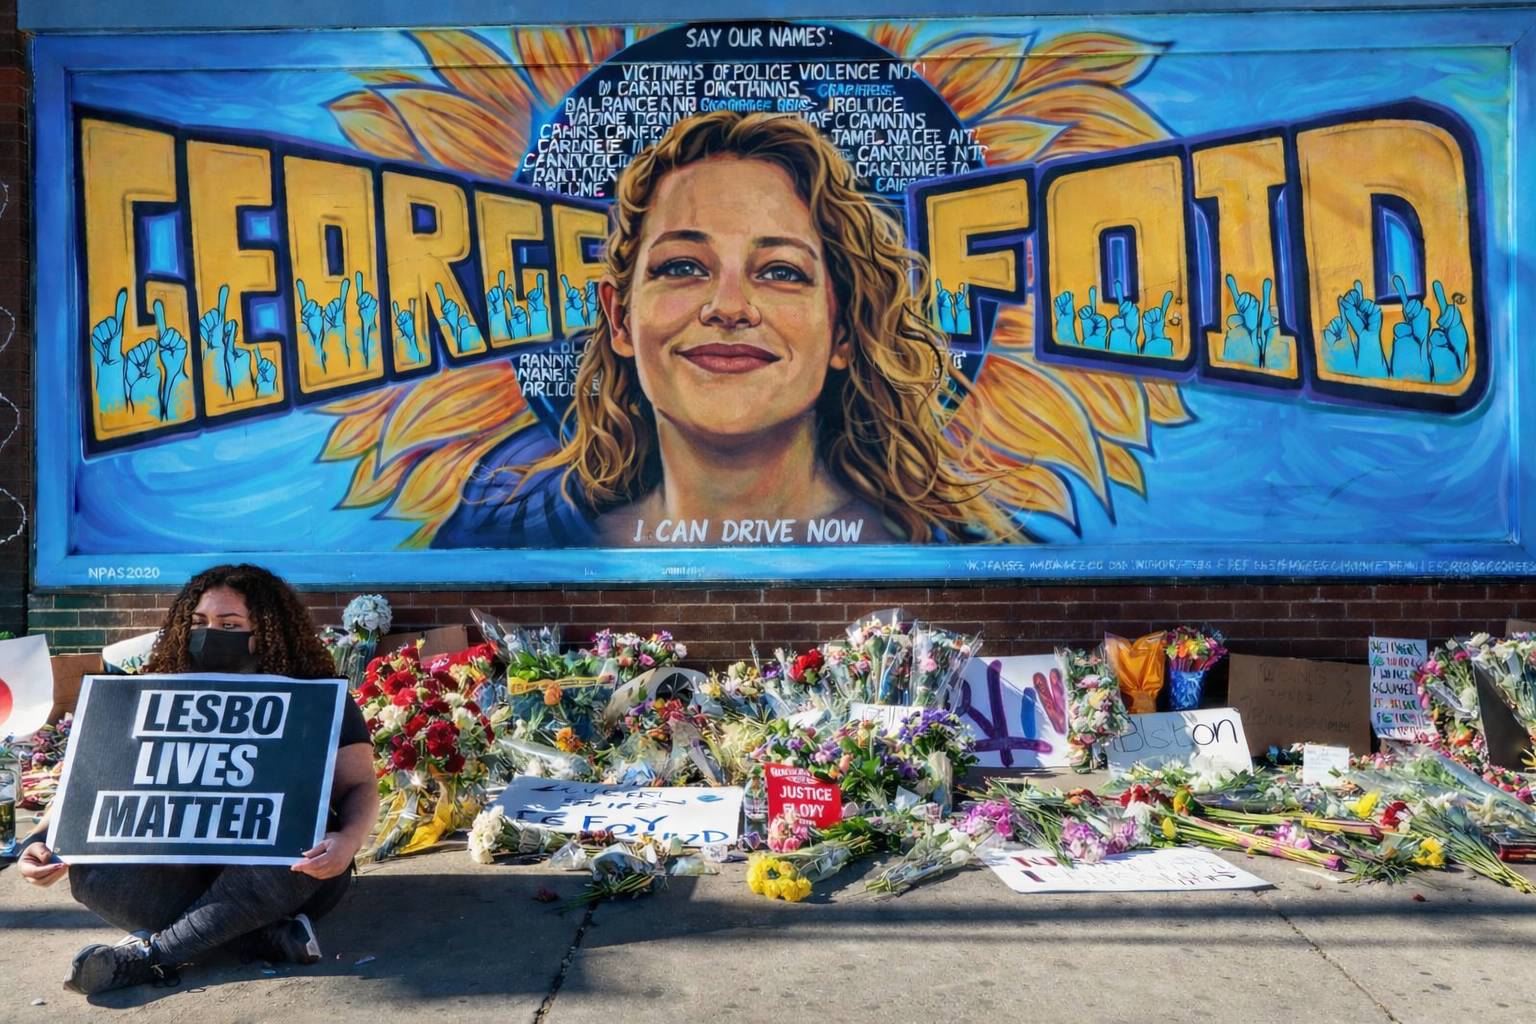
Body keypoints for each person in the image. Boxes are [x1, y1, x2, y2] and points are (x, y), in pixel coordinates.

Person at [504, 110, 1017, 546]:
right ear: (620, 318)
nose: (729, 308)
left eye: (781, 272)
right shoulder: (569, 550)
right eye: (682, 266)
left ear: (841, 330)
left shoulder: (933, 550)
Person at [15, 564, 378, 996]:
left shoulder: (316, 696)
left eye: (230, 624)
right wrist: (41, 838)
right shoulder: (152, 695)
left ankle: (150, 956)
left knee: (295, 850)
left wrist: (348, 841)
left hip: (287, 874)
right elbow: (92, 781)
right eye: (199, 622)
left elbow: (360, 785)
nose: (210, 634)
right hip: (179, 870)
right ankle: (256, 937)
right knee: (90, 870)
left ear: (268, 631)